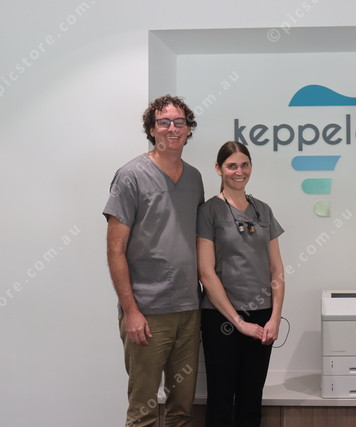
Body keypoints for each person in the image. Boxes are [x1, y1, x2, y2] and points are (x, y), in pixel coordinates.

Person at [104, 95, 204, 426]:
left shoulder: (194, 178)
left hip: (188, 309)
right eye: (164, 122)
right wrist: (131, 311)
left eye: (179, 122)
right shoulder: (130, 176)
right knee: (143, 412)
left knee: (181, 411)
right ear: (151, 129)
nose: (172, 128)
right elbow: (115, 249)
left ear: (188, 130)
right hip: (147, 313)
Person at [196, 141, 285, 427]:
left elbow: (277, 269)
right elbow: (206, 273)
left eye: (244, 165)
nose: (239, 171)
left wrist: (275, 318)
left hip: (262, 318)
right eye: (232, 165)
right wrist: (239, 322)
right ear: (218, 169)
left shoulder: (263, 211)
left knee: (251, 401)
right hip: (221, 318)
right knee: (221, 401)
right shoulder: (209, 211)